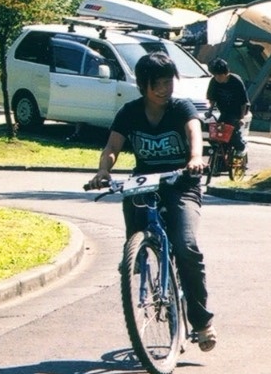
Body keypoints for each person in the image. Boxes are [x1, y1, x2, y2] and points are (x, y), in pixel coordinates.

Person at [89, 52, 217, 352]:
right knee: (132, 210)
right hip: (144, 183)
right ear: (143, 85)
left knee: (185, 248)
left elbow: (194, 133)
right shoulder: (130, 112)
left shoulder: (181, 107)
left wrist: (196, 158)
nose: (165, 89)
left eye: (168, 82)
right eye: (157, 84)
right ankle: (135, 255)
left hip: (181, 183)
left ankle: (201, 322)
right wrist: (103, 171)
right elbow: (112, 145)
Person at [206, 57, 250, 156]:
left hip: (238, 109)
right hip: (225, 110)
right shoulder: (214, 82)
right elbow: (212, 99)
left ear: (226, 73)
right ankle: (221, 158)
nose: (217, 78)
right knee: (218, 133)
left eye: (219, 75)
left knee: (232, 132)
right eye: (215, 75)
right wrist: (210, 111)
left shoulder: (236, 81)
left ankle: (242, 147)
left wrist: (241, 118)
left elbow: (244, 102)